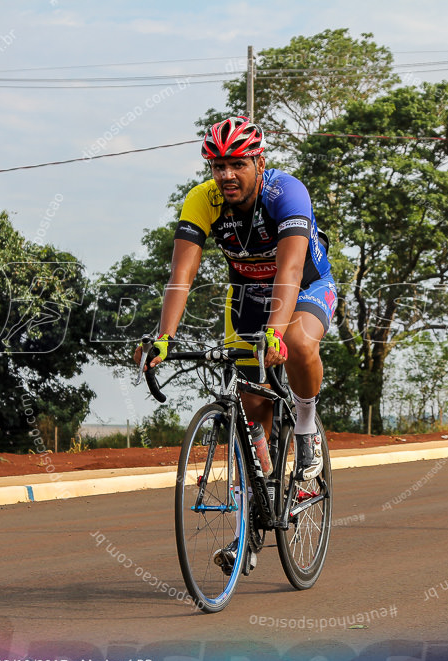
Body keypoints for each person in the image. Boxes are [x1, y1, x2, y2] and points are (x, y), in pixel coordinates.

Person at [135, 116, 336, 483]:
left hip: (305, 286)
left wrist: (275, 333)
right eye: (218, 166)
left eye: (237, 164)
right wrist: (164, 337)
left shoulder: (286, 192)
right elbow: (182, 275)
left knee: (296, 341)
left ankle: (306, 427)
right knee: (251, 400)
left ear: (260, 163)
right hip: (247, 295)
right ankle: (259, 495)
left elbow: (289, 271)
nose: (226, 175)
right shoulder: (202, 200)